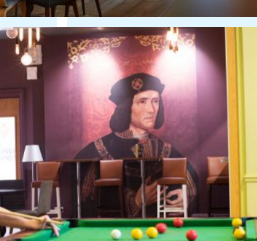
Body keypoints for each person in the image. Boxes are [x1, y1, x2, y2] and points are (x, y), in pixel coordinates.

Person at [74, 73, 198, 217]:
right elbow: (86, 202)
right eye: (142, 101)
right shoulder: (97, 149)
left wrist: (184, 196)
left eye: (156, 101)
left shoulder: (166, 149)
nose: (151, 109)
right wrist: (137, 201)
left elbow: (191, 182)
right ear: (127, 107)